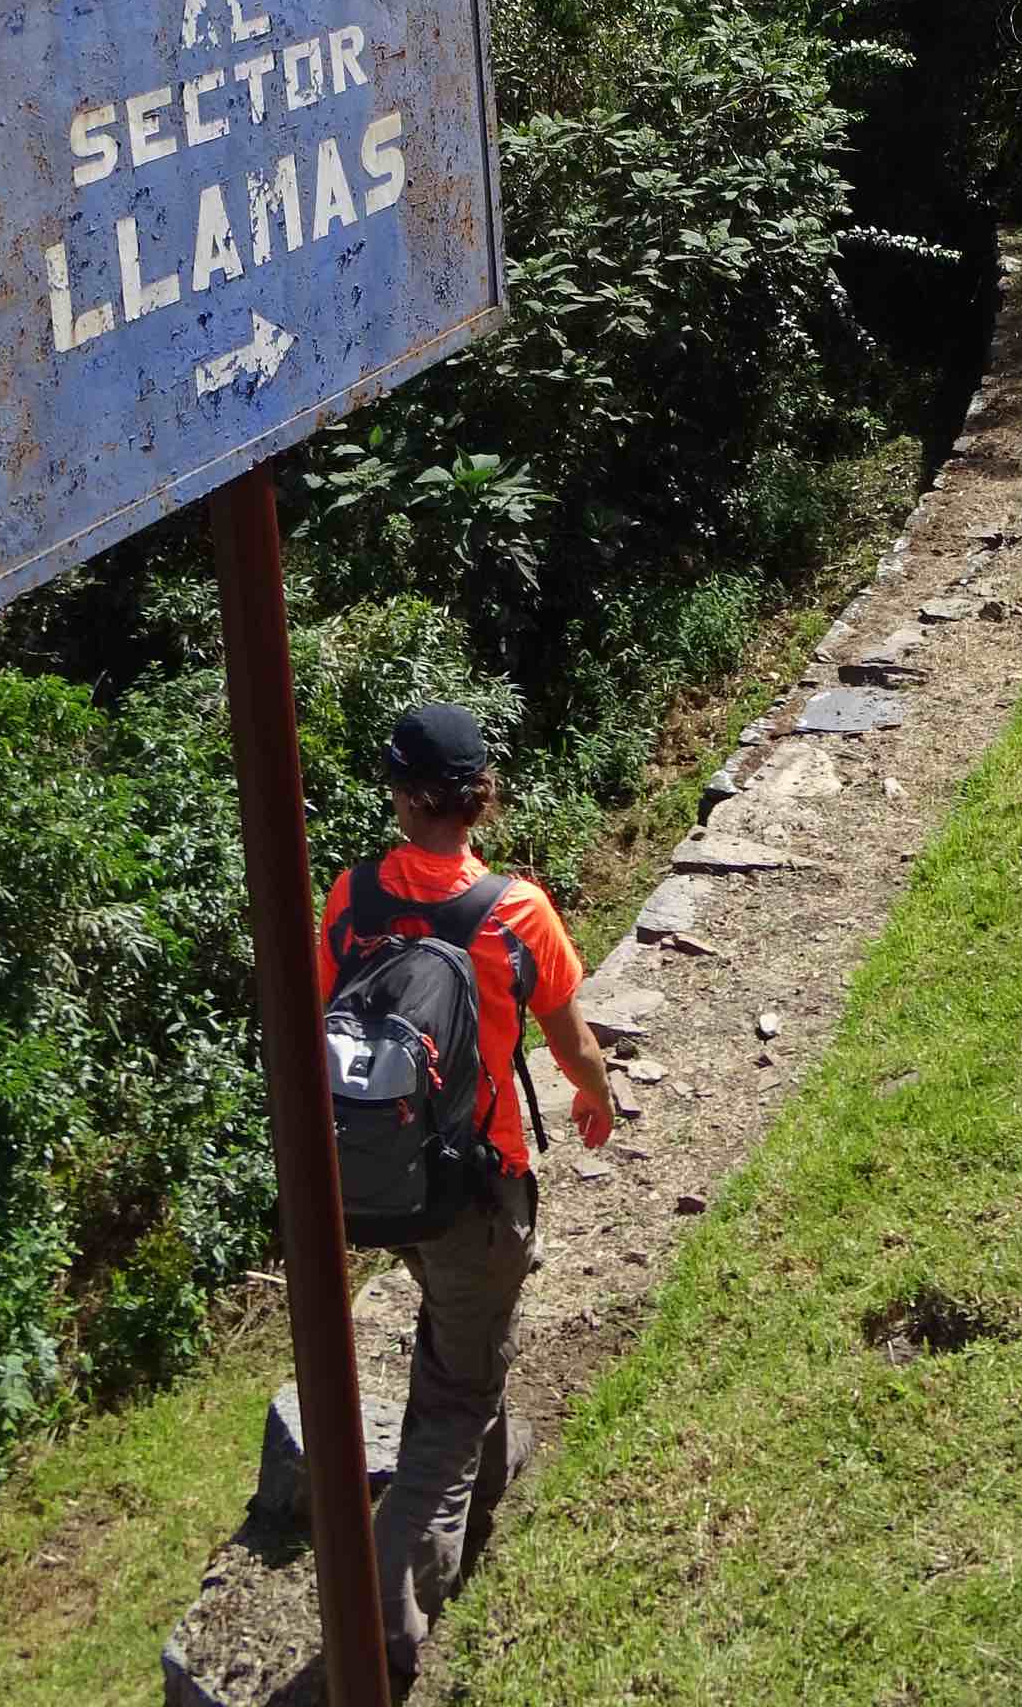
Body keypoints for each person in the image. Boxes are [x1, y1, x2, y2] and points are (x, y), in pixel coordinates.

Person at [318, 702, 617, 1693]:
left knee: (465, 1343)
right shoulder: (513, 910)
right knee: (450, 1397)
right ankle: (386, 1612)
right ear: (480, 795)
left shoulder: (350, 896)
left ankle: (485, 1491)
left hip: (367, 1178)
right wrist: (593, 1096)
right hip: (474, 1186)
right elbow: (570, 1039)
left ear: (403, 797)